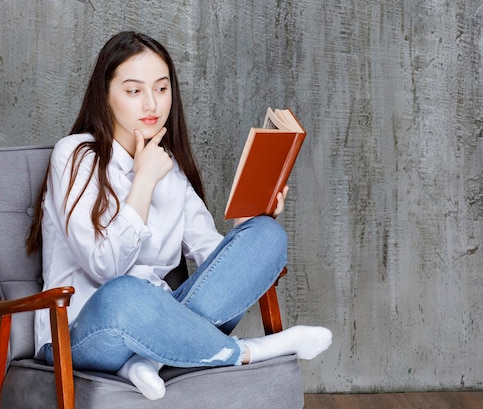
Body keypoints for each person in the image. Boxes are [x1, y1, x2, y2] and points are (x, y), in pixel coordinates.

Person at [26, 31, 332, 400]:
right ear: (105, 96)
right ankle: (253, 350)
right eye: (134, 91)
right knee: (125, 294)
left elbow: (213, 263)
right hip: (83, 331)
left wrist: (244, 231)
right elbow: (104, 268)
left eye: (161, 88)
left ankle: (146, 360)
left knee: (266, 235)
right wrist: (144, 180)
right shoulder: (75, 156)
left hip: (162, 320)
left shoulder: (173, 172)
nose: (152, 103)